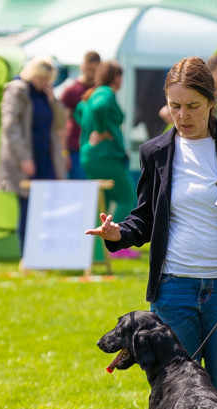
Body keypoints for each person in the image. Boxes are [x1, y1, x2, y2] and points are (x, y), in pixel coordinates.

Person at [85, 55, 217, 409]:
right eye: (175, 106)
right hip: (172, 292)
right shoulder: (154, 152)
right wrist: (117, 232)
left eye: (192, 106)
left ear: (211, 102)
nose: (183, 116)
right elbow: (144, 219)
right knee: (174, 400)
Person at [0, 56, 67, 251]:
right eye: (41, 78)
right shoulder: (16, 90)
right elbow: (9, 127)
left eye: (47, 79)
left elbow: (61, 122)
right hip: (26, 160)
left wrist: (52, 100)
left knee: (49, 206)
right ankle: (27, 255)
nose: (44, 83)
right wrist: (23, 157)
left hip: (46, 158)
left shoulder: (45, 94)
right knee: (28, 208)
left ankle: (46, 251)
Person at [75, 60, 138, 259]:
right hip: (105, 156)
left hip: (89, 155)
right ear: (116, 77)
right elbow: (100, 108)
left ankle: (95, 253)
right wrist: (103, 131)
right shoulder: (106, 94)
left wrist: (92, 131)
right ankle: (114, 244)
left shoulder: (91, 93)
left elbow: (78, 111)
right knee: (127, 197)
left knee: (102, 203)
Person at [60, 51, 100, 180]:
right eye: (87, 69)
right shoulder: (71, 91)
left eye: (93, 70)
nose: (89, 73)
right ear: (82, 66)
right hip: (75, 149)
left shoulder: (101, 90)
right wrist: (64, 152)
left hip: (96, 151)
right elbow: (62, 124)